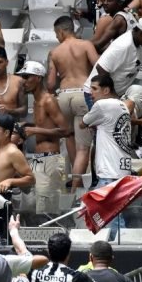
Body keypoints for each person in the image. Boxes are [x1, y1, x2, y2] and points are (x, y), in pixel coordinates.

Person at [47, 16, 99, 192]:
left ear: (61, 31)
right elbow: (100, 68)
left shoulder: (55, 52)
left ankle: (74, 182)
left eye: (56, 34)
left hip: (63, 96)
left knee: (69, 136)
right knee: (84, 147)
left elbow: (51, 84)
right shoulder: (86, 45)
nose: (56, 37)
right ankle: (76, 187)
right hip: (82, 93)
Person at [81, 74, 136, 239]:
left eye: (95, 89)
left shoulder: (102, 105)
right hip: (122, 170)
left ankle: (117, 255)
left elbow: (83, 122)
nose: (91, 93)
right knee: (117, 217)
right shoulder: (123, 106)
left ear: (106, 90)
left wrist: (93, 123)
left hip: (109, 171)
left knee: (112, 220)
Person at [18, 61, 69, 216]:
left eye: (27, 77)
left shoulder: (48, 100)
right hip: (39, 158)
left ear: (38, 78)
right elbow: (45, 124)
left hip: (51, 159)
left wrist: (34, 129)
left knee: (48, 209)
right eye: (23, 77)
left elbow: (66, 130)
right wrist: (28, 124)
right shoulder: (36, 101)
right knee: (40, 207)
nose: (23, 82)